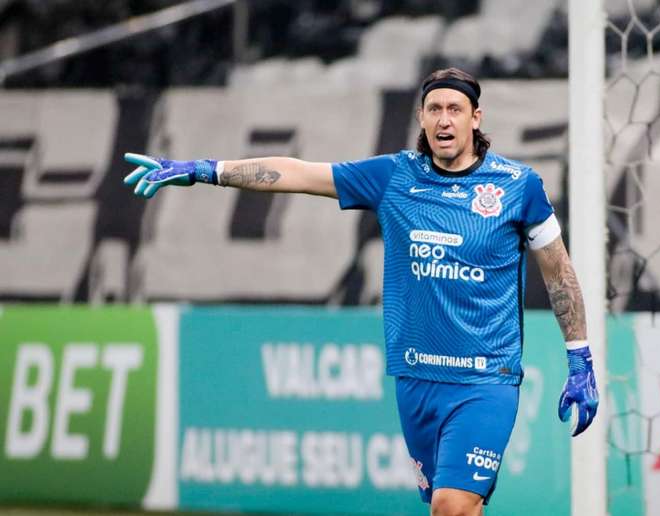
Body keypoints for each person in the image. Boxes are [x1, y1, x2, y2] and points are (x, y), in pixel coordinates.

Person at [123, 67, 598, 516]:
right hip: (415, 379)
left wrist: (579, 357)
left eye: (455, 109)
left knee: (452, 505)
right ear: (422, 118)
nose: (444, 119)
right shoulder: (394, 176)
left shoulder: (518, 186)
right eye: (434, 109)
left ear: (476, 118)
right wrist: (208, 169)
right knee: (453, 506)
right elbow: (299, 174)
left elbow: (558, 272)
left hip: (484, 381)